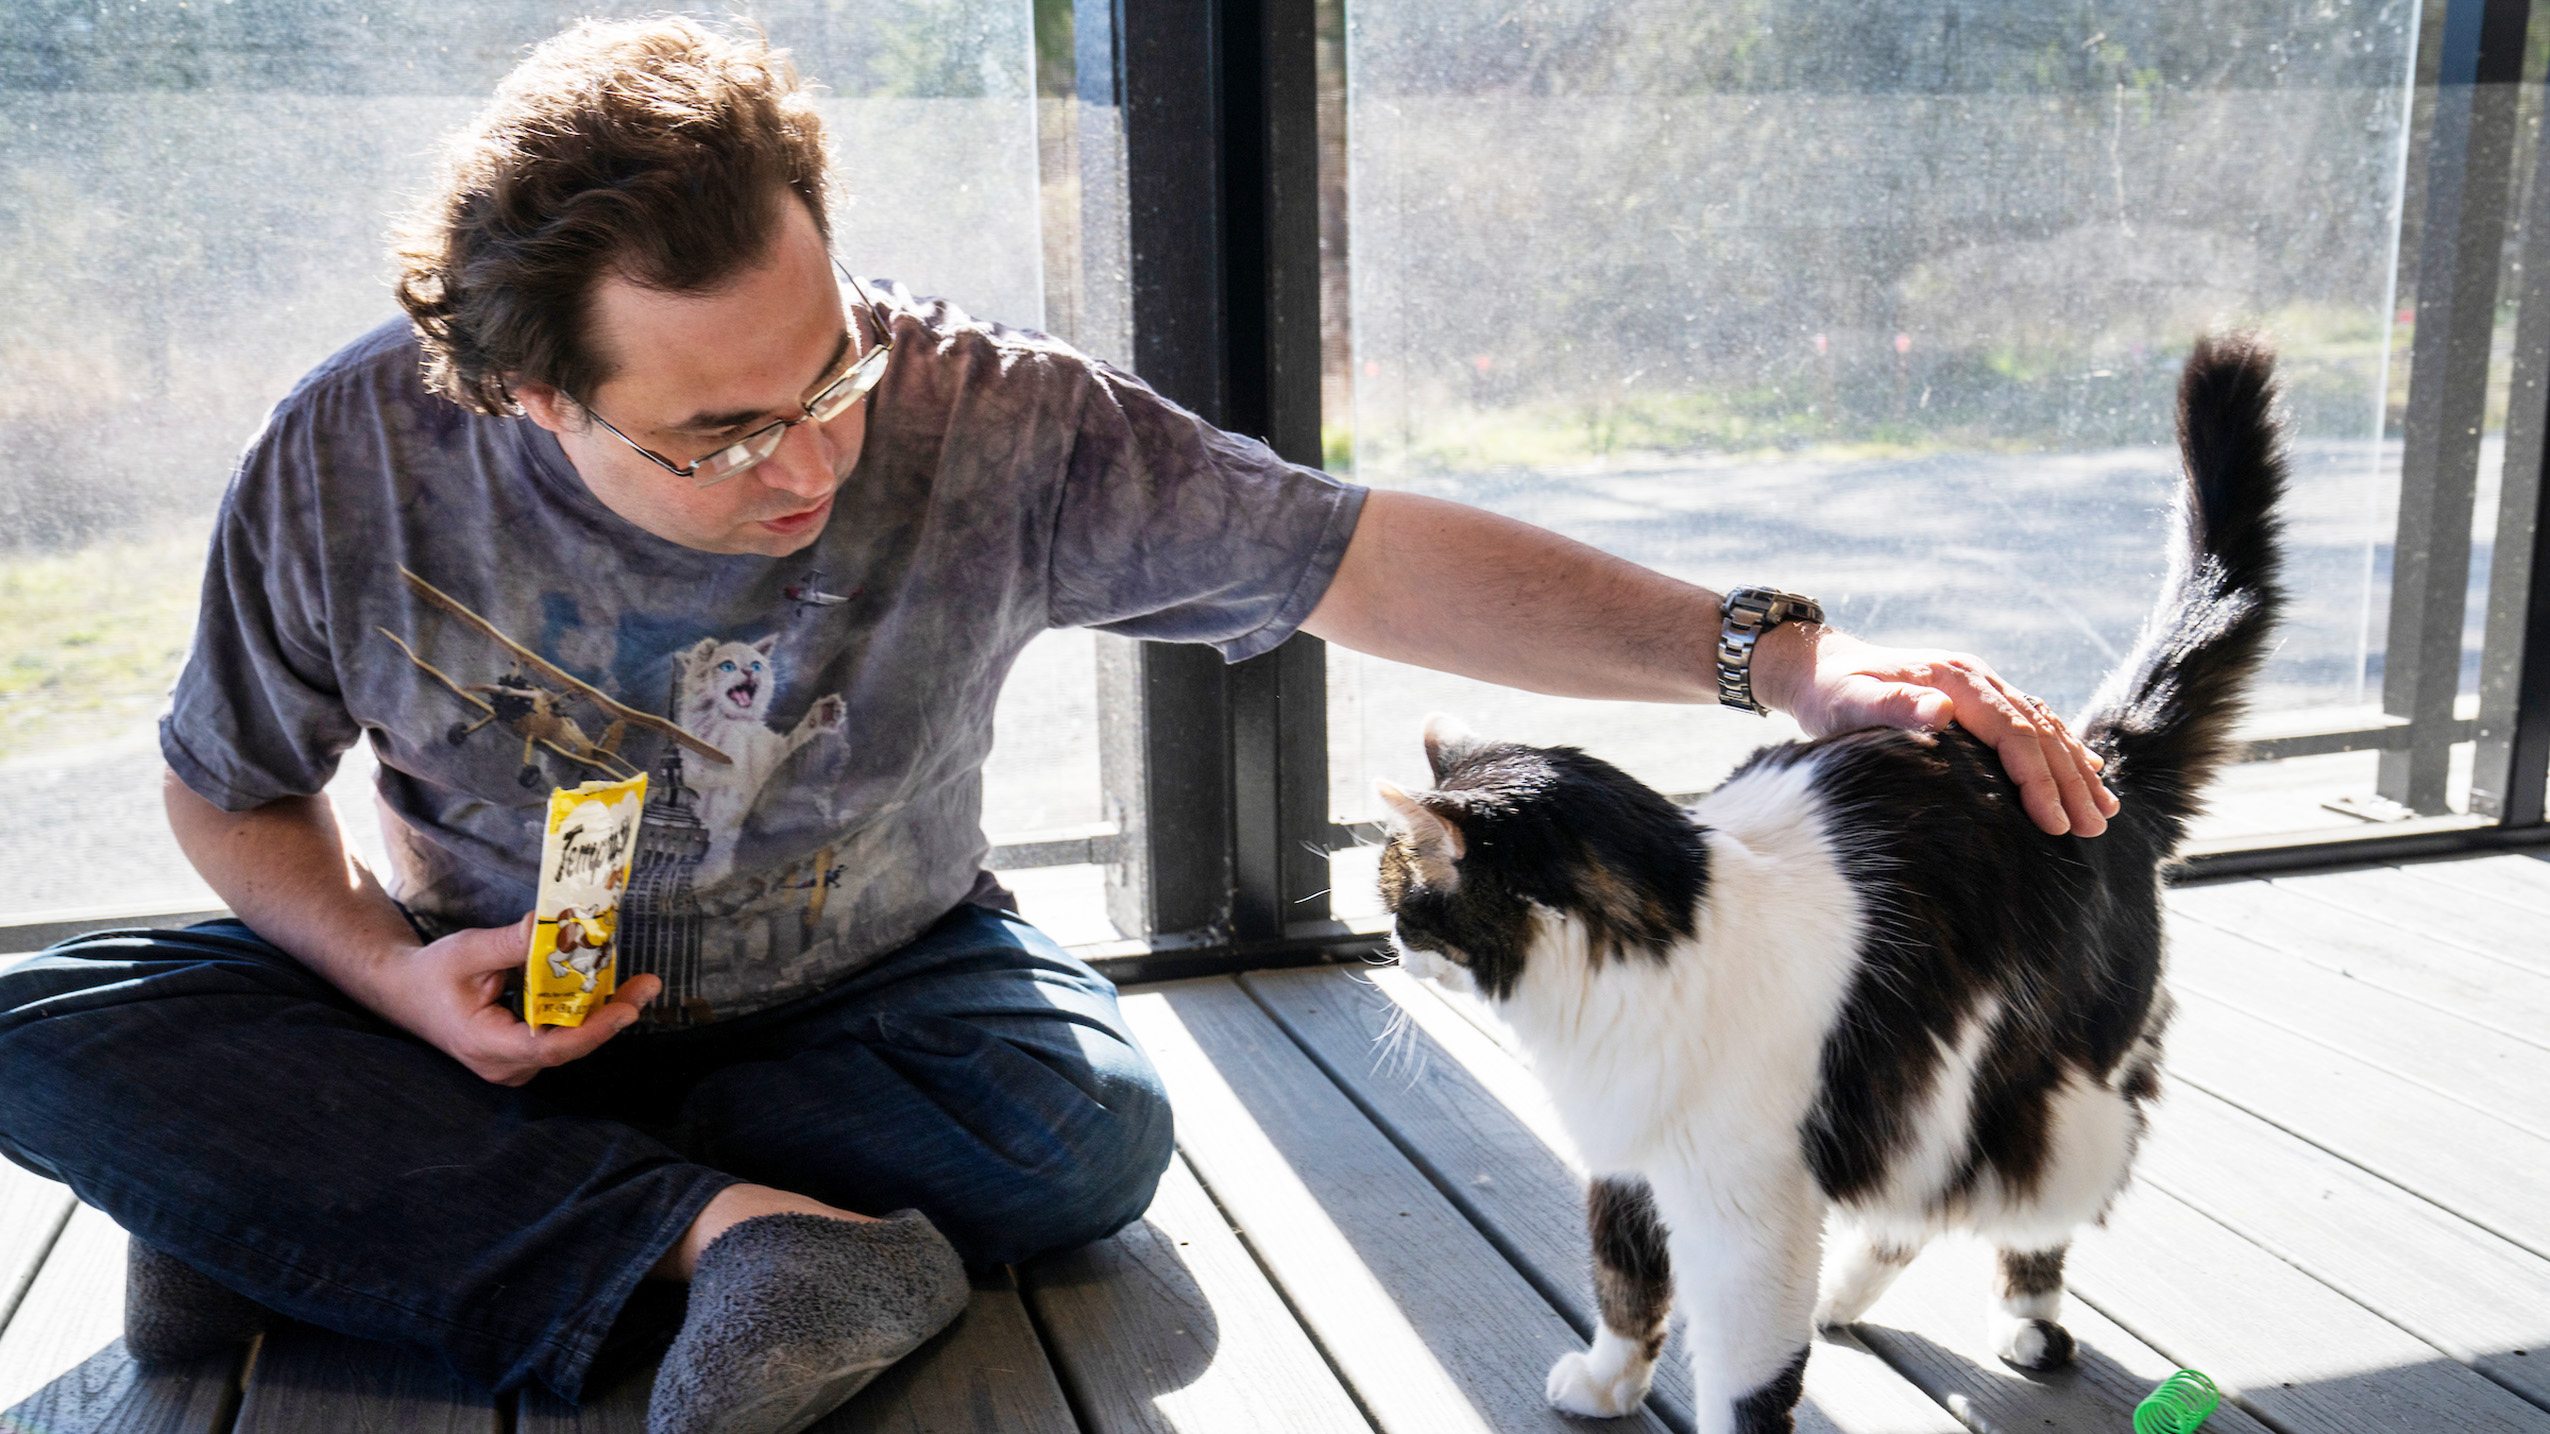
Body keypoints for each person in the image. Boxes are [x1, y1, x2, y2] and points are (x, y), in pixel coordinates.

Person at [0, 16, 2116, 1434]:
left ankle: (341, 1224)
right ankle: (705, 1237)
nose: (811, 458)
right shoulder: (349, 463)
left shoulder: (986, 416)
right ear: (527, 392)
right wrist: (390, 976)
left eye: (823, 372)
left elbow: (1359, 555)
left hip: (884, 996)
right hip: (478, 1002)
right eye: (724, 431)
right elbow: (230, 804)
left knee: (1089, 1131)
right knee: (41, 1017)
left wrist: (1779, 658)